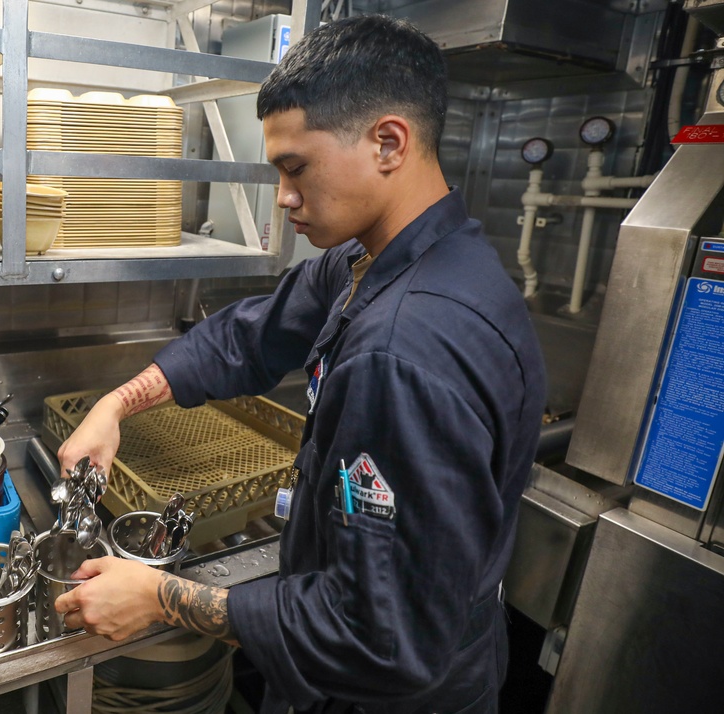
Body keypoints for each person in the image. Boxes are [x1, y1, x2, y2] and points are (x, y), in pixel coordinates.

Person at [54, 14, 547, 714]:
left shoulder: (404, 350)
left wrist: (164, 598)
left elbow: (381, 639)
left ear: (387, 143)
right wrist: (117, 405)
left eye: (296, 168)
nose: (283, 197)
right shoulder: (381, 259)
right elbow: (249, 338)